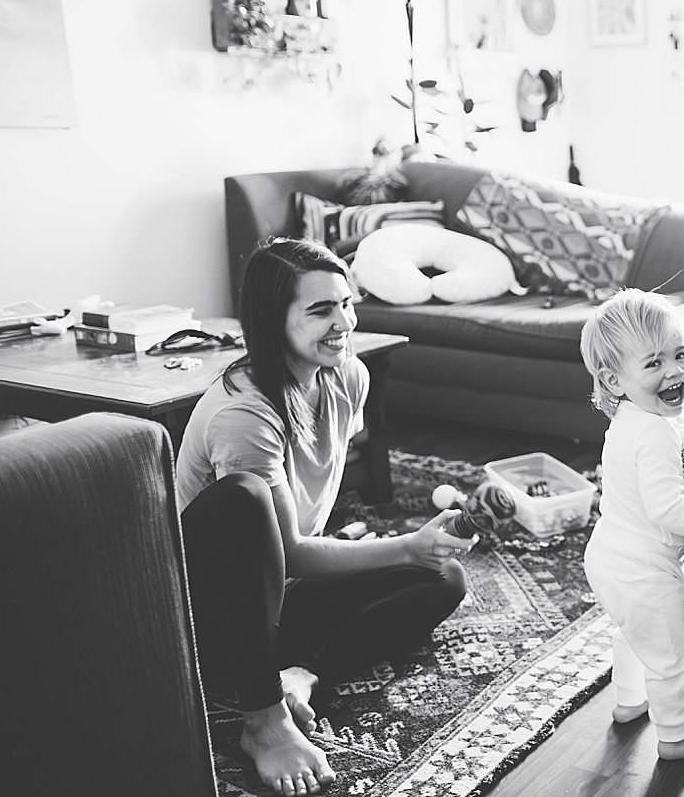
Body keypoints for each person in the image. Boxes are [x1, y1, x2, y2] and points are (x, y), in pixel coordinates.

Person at [175, 237, 471, 796]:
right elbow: (286, 550)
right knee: (244, 495)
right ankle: (263, 718)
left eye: (346, 304)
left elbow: (299, 547)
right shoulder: (244, 414)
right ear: (271, 319)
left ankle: (301, 675)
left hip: (278, 600)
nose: (343, 323)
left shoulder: (345, 375)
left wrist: (411, 552)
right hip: (207, 613)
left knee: (443, 576)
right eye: (320, 310)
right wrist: (404, 543)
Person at [578, 289, 684, 760]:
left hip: (610, 557)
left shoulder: (642, 418)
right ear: (613, 380)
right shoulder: (653, 433)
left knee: (634, 634)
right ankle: (675, 736)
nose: (674, 371)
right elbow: (666, 508)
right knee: (669, 652)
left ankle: (630, 703)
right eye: (654, 363)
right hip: (641, 567)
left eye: (680, 355)